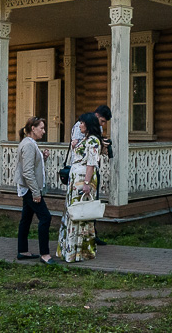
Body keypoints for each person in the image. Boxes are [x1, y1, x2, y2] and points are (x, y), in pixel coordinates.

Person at [56, 112, 103, 263]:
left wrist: (87, 184)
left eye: (82, 123)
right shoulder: (84, 139)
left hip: (83, 180)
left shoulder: (94, 141)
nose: (79, 125)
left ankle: (81, 250)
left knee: (81, 213)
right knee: (73, 211)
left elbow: (91, 163)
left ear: (88, 124)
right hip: (75, 179)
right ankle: (69, 249)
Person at [16, 116, 58, 265]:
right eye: (41, 128)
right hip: (29, 188)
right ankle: (45, 254)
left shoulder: (30, 143)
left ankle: (22, 251)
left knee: (26, 219)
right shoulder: (28, 145)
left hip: (27, 187)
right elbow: (27, 171)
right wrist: (35, 192)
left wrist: (43, 158)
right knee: (45, 217)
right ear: (33, 129)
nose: (44, 131)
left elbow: (32, 165)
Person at [68, 105, 111, 244]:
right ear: (96, 116)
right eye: (102, 121)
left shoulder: (96, 133)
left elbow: (93, 154)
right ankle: (77, 237)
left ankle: (90, 235)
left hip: (88, 172)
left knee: (89, 203)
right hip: (81, 172)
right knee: (78, 206)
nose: (102, 124)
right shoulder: (80, 127)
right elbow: (80, 149)